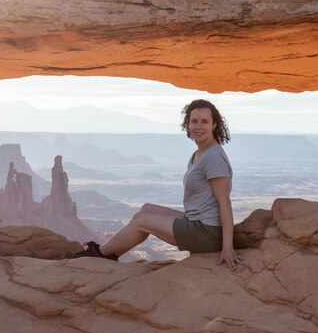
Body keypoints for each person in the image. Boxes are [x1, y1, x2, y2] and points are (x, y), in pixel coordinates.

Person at [66, 99, 244, 270]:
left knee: (142, 220)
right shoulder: (199, 153)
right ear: (187, 124)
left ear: (214, 125)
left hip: (207, 232)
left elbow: (225, 203)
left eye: (204, 121)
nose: (198, 126)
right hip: (196, 221)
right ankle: (111, 255)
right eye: (194, 121)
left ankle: (98, 255)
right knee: (145, 209)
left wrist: (227, 247)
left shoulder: (213, 157)